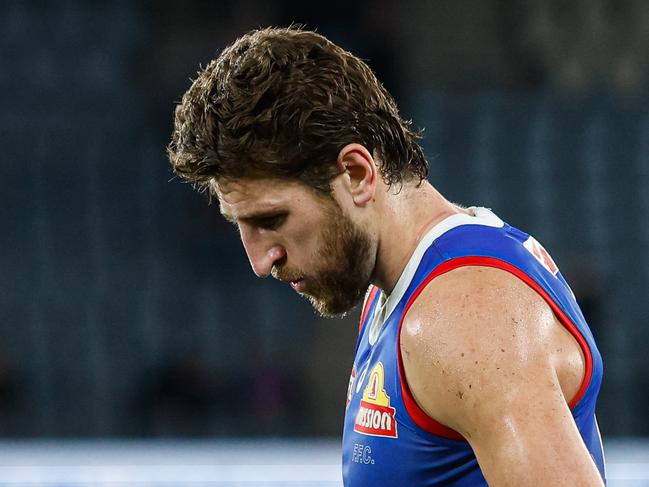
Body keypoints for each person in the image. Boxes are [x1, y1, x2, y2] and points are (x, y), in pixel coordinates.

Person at [167, 27, 605, 486]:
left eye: (271, 219)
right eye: (239, 225)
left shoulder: (463, 315)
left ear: (357, 173)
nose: (260, 260)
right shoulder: (402, 289)